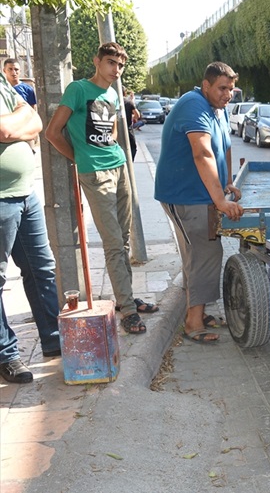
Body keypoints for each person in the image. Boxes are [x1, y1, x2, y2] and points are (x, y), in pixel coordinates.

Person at [46, 42, 158, 335]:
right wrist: (80, 157)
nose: (116, 70)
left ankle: (125, 298)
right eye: (111, 63)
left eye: (120, 65)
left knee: (123, 240)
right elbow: (52, 132)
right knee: (112, 244)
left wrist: (116, 153)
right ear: (97, 61)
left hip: (119, 167)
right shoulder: (78, 89)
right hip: (95, 174)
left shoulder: (113, 94)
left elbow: (113, 131)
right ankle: (129, 311)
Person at [155, 62, 244, 344]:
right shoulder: (193, 105)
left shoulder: (218, 108)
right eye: (222, 88)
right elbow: (202, 153)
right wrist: (220, 200)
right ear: (206, 85)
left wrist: (228, 182)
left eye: (231, 89)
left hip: (199, 194)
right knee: (204, 253)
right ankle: (193, 323)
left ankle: (199, 312)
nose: (228, 94)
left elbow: (225, 146)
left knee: (200, 255)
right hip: (184, 196)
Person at [0, 74, 61, 383]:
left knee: (42, 269)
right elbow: (6, 128)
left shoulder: (0, 80)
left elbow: (35, 120)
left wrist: (19, 122)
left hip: (25, 191)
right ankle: (6, 354)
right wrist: (17, 123)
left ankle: (54, 339)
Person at [123, 90, 139, 160]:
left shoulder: (111, 100)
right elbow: (137, 115)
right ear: (124, 93)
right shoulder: (128, 102)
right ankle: (130, 162)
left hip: (113, 130)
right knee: (132, 147)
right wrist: (133, 117)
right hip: (127, 129)